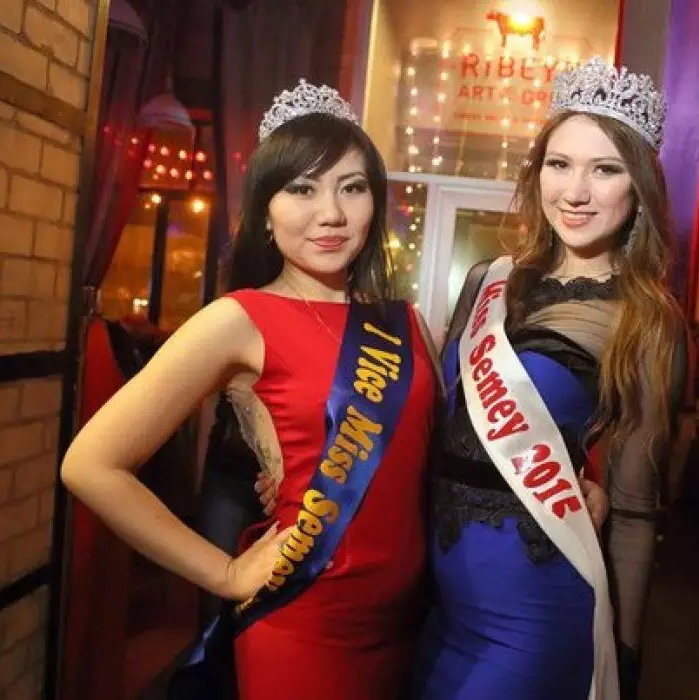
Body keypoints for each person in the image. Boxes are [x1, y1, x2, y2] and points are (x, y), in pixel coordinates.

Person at [61, 80, 439, 700]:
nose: (331, 213)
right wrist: (227, 573)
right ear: (265, 210)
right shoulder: (238, 318)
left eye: (351, 187)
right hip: (305, 624)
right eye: (301, 189)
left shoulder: (407, 323)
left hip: (409, 626)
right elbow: (90, 465)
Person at [409, 57, 689, 700]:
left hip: (533, 606)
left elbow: (636, 511)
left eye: (606, 169)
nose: (575, 191)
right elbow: (439, 426)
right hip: (435, 598)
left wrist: (624, 659)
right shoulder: (486, 280)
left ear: (639, 187)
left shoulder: (648, 320)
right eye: (559, 164)